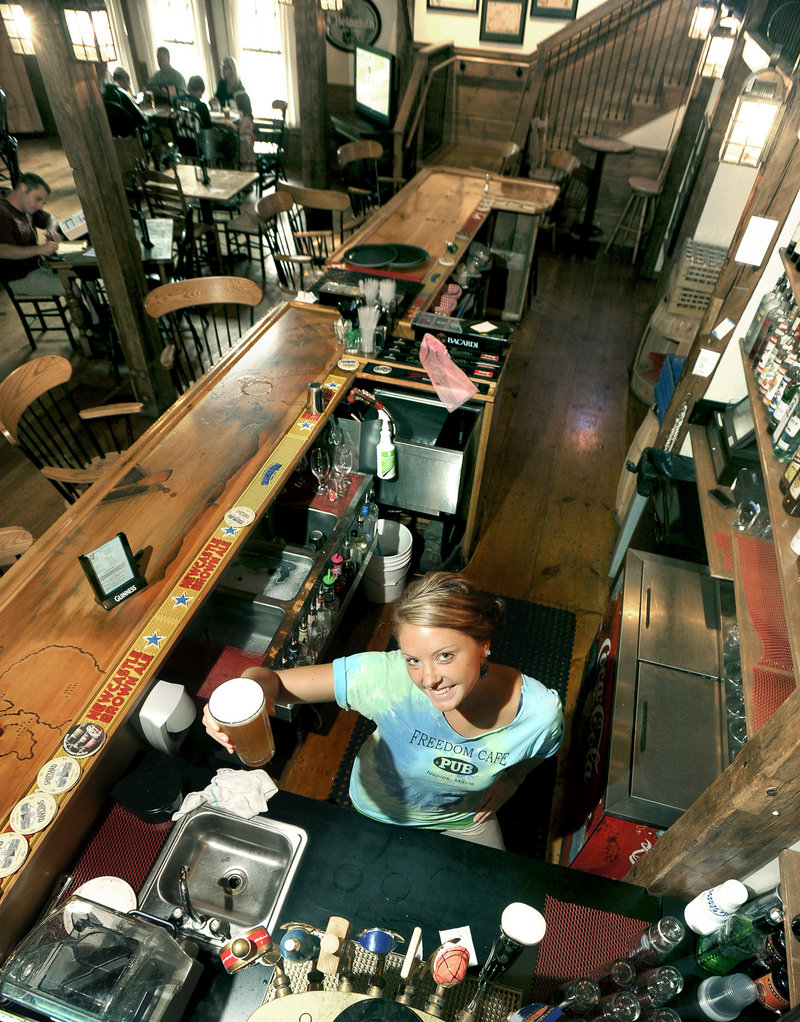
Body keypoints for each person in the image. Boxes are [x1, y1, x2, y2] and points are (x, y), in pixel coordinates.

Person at [204, 571, 564, 850]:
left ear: (484, 644)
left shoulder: (540, 714)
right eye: (413, 659)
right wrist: (245, 689)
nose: (429, 679)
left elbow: (540, 751)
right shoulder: (385, 677)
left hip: (462, 817)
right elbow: (275, 682)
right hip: (378, 807)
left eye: (445, 655)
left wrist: (512, 781)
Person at [0, 172, 63, 296]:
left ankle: (98, 315)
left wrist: (51, 230)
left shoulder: (27, 207)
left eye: (43, 202)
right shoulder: (2, 212)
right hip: (18, 277)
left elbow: (51, 219)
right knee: (71, 287)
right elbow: (2, 250)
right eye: (38, 199)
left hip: (37, 266)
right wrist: (39, 249)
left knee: (83, 274)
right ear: (23, 188)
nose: (40, 206)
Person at [102, 66, 149, 139]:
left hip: (116, 138)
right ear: (124, 81)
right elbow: (143, 120)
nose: (129, 85)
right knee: (158, 133)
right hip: (132, 137)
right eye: (128, 82)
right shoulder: (123, 94)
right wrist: (147, 118)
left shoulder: (104, 95)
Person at [234, 90, 255, 172]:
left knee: (245, 159)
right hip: (244, 141)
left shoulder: (247, 118)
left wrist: (231, 124)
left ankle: (246, 173)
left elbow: (240, 131)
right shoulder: (244, 116)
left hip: (245, 142)